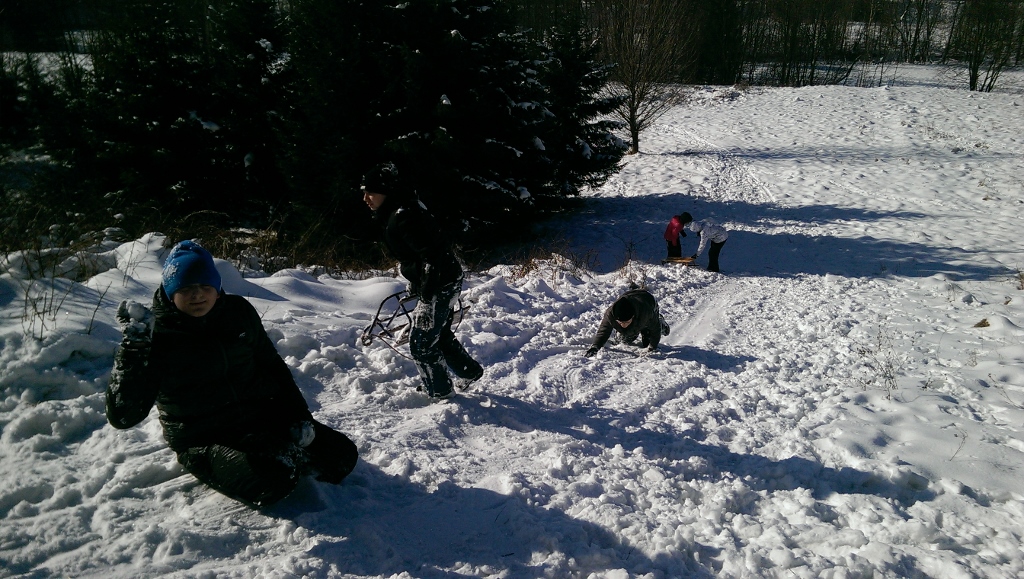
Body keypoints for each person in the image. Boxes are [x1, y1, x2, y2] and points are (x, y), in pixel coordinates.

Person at [106, 240, 358, 507]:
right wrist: (133, 351)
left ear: (217, 289)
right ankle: (241, 459)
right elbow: (123, 416)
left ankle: (276, 450)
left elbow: (272, 366)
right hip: (203, 436)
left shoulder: (238, 312)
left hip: (260, 418)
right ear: (171, 292)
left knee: (342, 456)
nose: (197, 295)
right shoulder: (153, 333)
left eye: (205, 286)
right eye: (186, 287)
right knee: (275, 477)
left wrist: (299, 416)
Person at [362, 162, 484, 399]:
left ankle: (440, 391)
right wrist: (417, 283)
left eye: (371, 192)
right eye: (364, 192)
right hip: (441, 279)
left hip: (440, 283)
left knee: (421, 343)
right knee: (438, 334)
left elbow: (432, 258)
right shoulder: (398, 211)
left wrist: (427, 300)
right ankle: (468, 372)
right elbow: (419, 257)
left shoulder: (406, 216)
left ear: (386, 191)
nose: (366, 198)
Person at [585, 287, 670, 357]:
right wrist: (595, 347)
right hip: (634, 306)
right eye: (620, 322)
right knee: (624, 340)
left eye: (626, 322)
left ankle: (661, 322)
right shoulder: (610, 313)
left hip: (648, 302)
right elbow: (604, 330)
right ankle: (635, 330)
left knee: (646, 342)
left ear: (633, 317)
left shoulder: (646, 312)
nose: (623, 325)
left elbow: (655, 329)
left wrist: (652, 348)